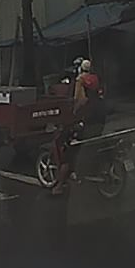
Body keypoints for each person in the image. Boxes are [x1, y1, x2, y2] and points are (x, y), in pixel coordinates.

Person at [52, 58, 105, 196]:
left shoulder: (80, 82)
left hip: (87, 122)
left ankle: (59, 186)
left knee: (69, 153)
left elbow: (79, 100)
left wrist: (74, 112)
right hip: (100, 120)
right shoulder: (96, 81)